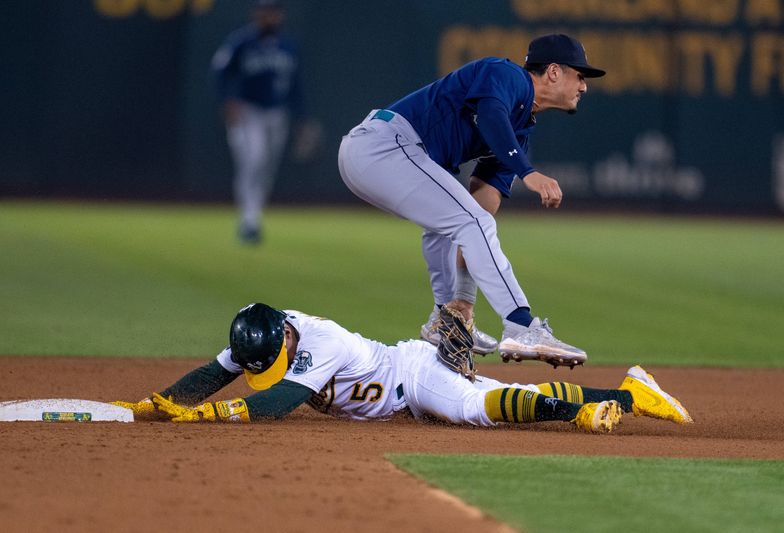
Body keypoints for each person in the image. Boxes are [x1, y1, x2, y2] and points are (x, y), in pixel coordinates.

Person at [338, 34, 606, 369]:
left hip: (388, 157)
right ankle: (521, 326)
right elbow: (491, 113)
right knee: (469, 221)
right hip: (383, 146)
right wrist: (527, 172)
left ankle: (447, 318)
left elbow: (483, 204)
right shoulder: (507, 75)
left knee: (461, 220)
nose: (584, 86)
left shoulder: (521, 132)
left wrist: (465, 298)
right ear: (553, 71)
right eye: (579, 76)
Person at [112, 303, 693, 433]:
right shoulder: (259, 333)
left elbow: (276, 402)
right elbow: (216, 372)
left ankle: (583, 411)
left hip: (409, 377)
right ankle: (631, 393)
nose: (263, 368)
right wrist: (160, 400)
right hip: (400, 395)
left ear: (288, 340)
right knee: (501, 391)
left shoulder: (321, 342)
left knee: (475, 407)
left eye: (275, 361)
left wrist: (213, 416)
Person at [212, 0, 316, 243]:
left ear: (280, 15)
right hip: (249, 111)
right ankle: (249, 219)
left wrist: (302, 119)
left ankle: (253, 215)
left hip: (277, 114)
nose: (268, 17)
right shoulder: (241, 41)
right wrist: (228, 101)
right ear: (256, 15)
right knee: (253, 160)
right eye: (264, 12)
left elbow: (296, 85)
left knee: (268, 167)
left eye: (272, 13)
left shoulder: (289, 46)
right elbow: (219, 71)